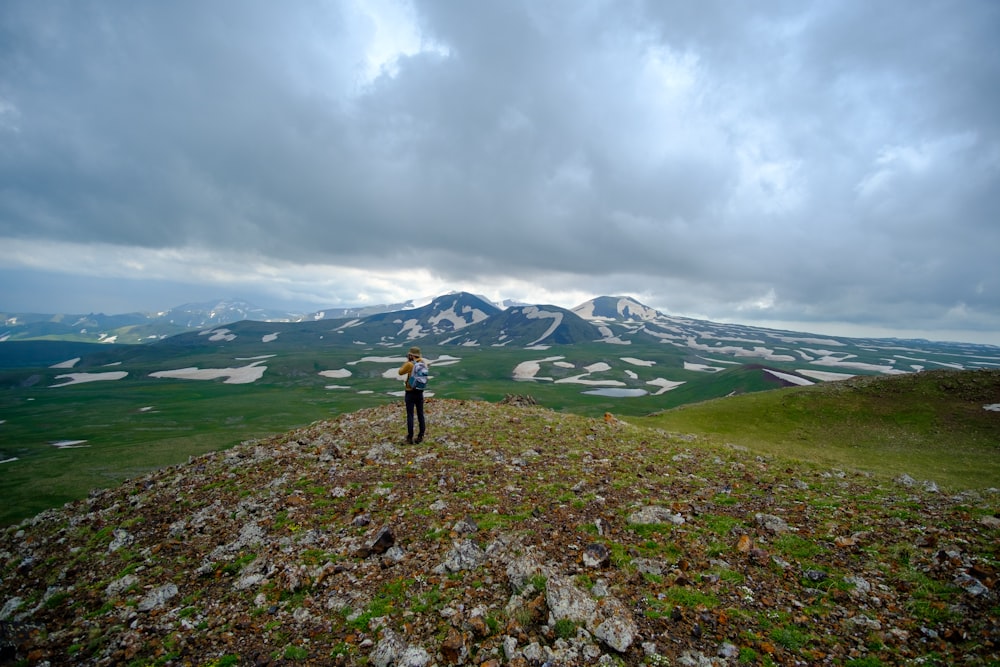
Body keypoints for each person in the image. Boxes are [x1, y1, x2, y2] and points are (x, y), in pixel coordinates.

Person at [397, 346, 426, 444]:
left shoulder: (409, 364)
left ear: (411, 355)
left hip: (410, 391)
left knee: (410, 415)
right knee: (420, 414)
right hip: (420, 391)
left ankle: (410, 437)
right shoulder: (422, 363)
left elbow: (400, 372)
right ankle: (421, 435)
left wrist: (406, 362)